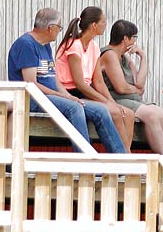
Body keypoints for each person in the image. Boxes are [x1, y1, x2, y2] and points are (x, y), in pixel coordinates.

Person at [8, 8, 128, 153]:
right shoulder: (26, 44)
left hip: (51, 96)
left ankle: (121, 161)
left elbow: (53, 78)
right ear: (50, 28)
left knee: (101, 110)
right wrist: (61, 96)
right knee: (74, 107)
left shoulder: (45, 45)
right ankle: (86, 160)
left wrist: (68, 96)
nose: (60, 31)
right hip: (32, 98)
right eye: (59, 27)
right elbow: (31, 84)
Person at [53, 6, 137, 152]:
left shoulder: (94, 46)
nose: (105, 25)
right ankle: (123, 158)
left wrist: (111, 101)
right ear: (94, 25)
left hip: (85, 91)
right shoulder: (74, 46)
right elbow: (79, 83)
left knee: (128, 114)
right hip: (70, 92)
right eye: (103, 21)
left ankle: (126, 155)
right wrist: (105, 102)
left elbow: (98, 81)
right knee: (115, 113)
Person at [99, 20, 163, 169]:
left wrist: (143, 57)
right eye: (134, 37)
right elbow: (121, 88)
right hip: (116, 99)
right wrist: (136, 90)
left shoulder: (124, 57)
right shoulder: (109, 54)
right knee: (150, 114)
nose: (135, 41)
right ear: (125, 38)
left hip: (132, 99)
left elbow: (140, 84)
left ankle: (161, 158)